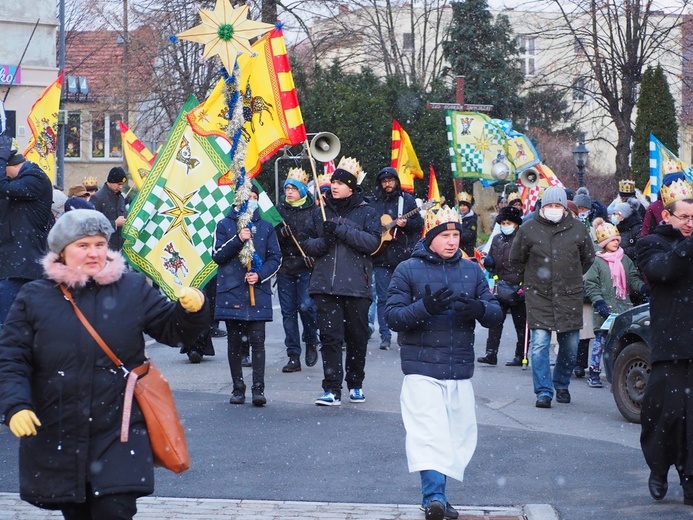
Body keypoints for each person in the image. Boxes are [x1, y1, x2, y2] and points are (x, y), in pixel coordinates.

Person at [0, 209, 209, 519]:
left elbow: (172, 331)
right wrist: (15, 405)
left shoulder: (132, 288)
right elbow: (12, 358)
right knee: (77, 512)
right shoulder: (34, 296)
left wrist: (192, 310)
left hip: (120, 429)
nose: (94, 253)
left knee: (114, 509)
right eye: (83, 246)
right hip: (60, 429)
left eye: (99, 244)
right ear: (62, 252)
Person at [385, 205, 502, 520]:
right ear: (430, 236)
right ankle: (434, 498)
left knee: (457, 438)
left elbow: (495, 314)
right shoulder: (407, 269)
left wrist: (477, 308)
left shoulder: (472, 270)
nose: (452, 241)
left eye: (456, 235)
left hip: (458, 370)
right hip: (421, 369)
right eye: (445, 235)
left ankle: (439, 498)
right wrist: (425, 307)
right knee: (429, 434)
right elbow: (393, 317)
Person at [301, 161, 380, 406]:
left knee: (357, 338)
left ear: (351, 187)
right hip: (325, 286)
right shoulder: (319, 210)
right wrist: (324, 241)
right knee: (330, 338)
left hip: (357, 286)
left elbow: (372, 243)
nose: (334, 187)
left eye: (340, 183)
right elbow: (305, 243)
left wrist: (340, 229)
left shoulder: (368, 211)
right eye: (333, 182)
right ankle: (332, 388)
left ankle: (355, 384)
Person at [635, 175, 693, 505]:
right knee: (662, 416)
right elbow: (664, 271)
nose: (689, 223)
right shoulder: (651, 244)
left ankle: (690, 479)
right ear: (667, 216)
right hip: (670, 345)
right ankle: (659, 468)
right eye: (683, 217)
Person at [510, 186, 595, 408]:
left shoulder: (578, 229)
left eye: (558, 206)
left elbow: (588, 258)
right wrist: (530, 280)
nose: (554, 209)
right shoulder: (528, 229)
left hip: (569, 294)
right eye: (550, 206)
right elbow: (516, 259)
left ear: (565, 207)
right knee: (539, 344)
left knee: (570, 345)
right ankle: (544, 391)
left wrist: (571, 276)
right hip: (539, 295)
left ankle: (561, 383)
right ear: (542, 207)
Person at [213, 185, 281, 406]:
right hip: (231, 292)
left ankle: (258, 389)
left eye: (255, 198)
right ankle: (238, 388)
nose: (251, 201)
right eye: (247, 198)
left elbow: (275, 258)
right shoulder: (223, 225)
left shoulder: (266, 227)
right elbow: (218, 255)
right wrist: (238, 239)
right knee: (234, 343)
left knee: (257, 341)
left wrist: (259, 275)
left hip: (256, 293)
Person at [584, 219, 644, 388]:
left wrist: (642, 288)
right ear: (603, 243)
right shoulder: (596, 261)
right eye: (611, 240)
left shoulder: (624, 259)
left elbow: (632, 278)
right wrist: (599, 302)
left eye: (617, 239)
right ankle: (594, 372)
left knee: (621, 343)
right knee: (600, 343)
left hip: (624, 307)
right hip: (605, 309)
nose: (615, 242)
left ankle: (618, 374)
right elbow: (591, 284)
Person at [0, 135, 53, 327]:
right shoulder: (16, 185)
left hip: (22, 267)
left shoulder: (35, 178)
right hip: (12, 265)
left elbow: (1, 186)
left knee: (10, 326)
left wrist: (0, 157)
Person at [369, 166, 423, 350]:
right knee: (383, 298)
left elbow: (419, 225)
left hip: (403, 256)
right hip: (380, 255)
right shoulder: (373, 202)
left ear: (396, 182)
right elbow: (367, 224)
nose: (387, 184)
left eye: (390, 180)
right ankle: (385, 334)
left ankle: (402, 332)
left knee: (404, 296)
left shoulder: (406, 201)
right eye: (384, 181)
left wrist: (406, 223)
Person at [275, 168, 320, 373]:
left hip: (306, 267)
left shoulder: (314, 210)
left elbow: (320, 237)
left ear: (302, 190)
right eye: (287, 188)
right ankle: (293, 355)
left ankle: (311, 341)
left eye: (294, 188)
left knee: (306, 306)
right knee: (288, 313)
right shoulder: (278, 210)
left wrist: (314, 253)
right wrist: (280, 233)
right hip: (285, 267)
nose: (290, 192)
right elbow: (270, 237)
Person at [479, 206, 527, 366]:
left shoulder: (523, 240)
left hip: (518, 287)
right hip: (501, 286)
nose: (506, 225)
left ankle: (520, 355)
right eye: (503, 222)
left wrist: (525, 287)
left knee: (521, 326)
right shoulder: (497, 239)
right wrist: (489, 263)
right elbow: (492, 261)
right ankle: (491, 353)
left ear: (516, 224)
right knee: (495, 322)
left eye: (509, 222)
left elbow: (530, 264)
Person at [90, 167, 128, 251]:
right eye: (118, 184)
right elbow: (92, 224)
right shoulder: (97, 198)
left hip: (119, 248)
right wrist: (114, 223)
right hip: (104, 248)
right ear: (110, 182)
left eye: (122, 184)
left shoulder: (120, 197)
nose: (121, 187)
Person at [456, 191, 477, 257]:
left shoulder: (472, 219)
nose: (462, 208)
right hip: (457, 248)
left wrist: (456, 237)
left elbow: (469, 235)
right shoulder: (457, 216)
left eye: (464, 205)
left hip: (468, 250)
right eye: (460, 205)